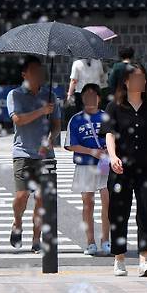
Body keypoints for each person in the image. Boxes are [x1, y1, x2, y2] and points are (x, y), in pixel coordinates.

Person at [100, 63, 147, 277]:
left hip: (146, 168)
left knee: (146, 211)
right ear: (126, 82)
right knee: (118, 213)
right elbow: (108, 133)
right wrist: (113, 157)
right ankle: (119, 259)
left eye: (143, 78)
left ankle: (145, 260)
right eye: (137, 78)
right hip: (120, 168)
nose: (141, 82)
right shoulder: (114, 107)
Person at [6, 56, 61, 253]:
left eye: (40, 70)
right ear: (24, 74)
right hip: (23, 152)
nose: (39, 73)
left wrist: (50, 139)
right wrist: (41, 110)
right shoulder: (15, 95)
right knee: (22, 195)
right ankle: (17, 222)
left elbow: (56, 126)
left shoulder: (50, 95)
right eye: (34, 70)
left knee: (41, 198)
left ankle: (36, 239)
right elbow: (18, 119)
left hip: (45, 155)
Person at [64, 83, 111, 256]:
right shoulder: (76, 119)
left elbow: (116, 138)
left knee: (108, 202)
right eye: (87, 95)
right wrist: (92, 151)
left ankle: (106, 240)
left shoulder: (107, 117)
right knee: (88, 203)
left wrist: (109, 151)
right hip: (85, 165)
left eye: (94, 95)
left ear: (99, 98)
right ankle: (90, 242)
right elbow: (70, 145)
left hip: (105, 165)